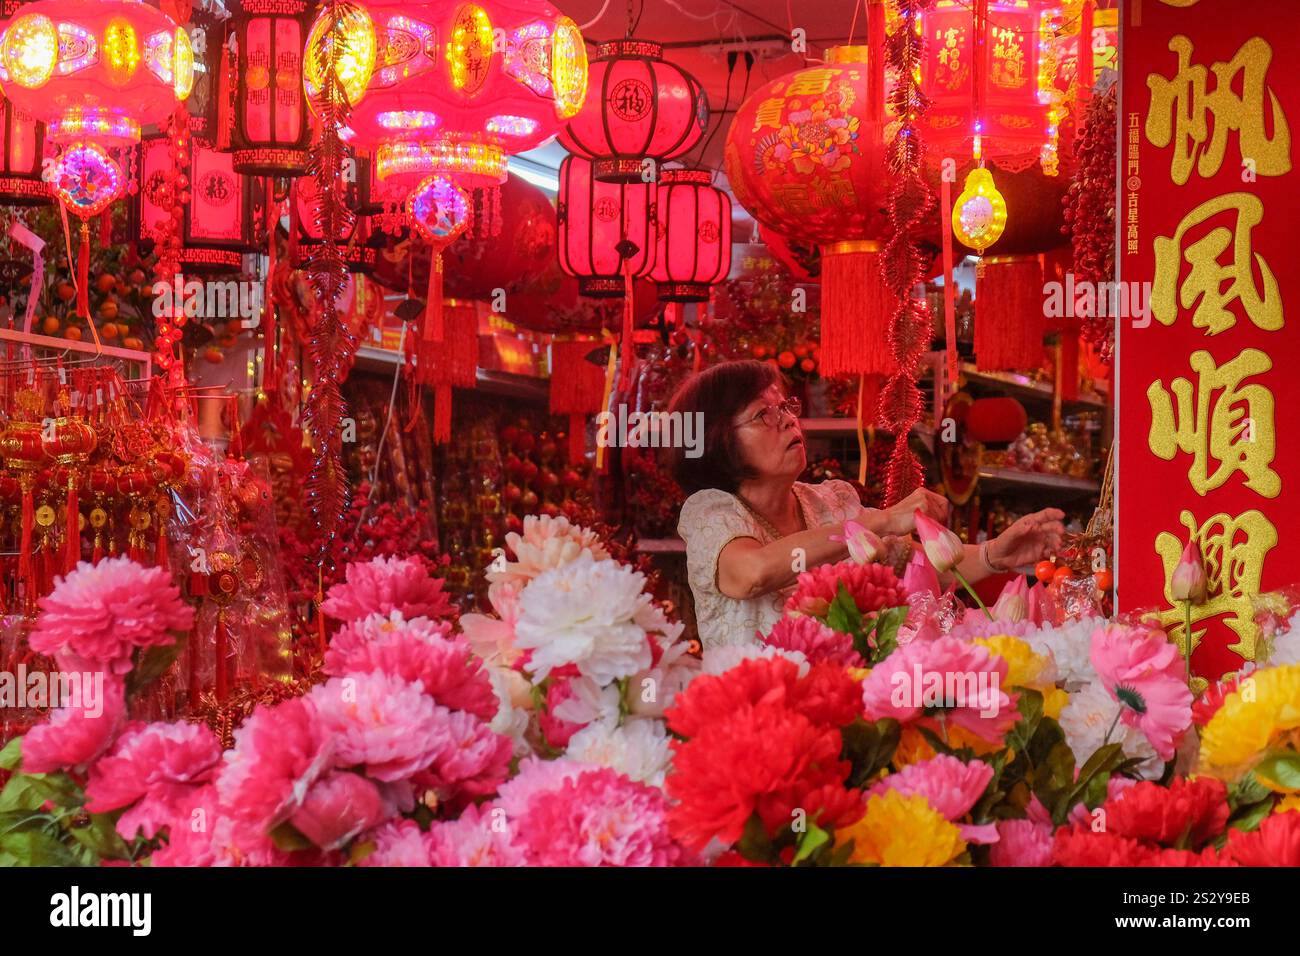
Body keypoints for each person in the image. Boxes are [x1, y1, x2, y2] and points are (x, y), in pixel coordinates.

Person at [664, 360, 1065, 649]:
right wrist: (881, 521)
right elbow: (751, 572)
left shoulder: (831, 501)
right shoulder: (711, 511)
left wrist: (997, 552)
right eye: (762, 415)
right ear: (718, 441)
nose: (788, 420)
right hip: (755, 719)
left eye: (785, 407)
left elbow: (923, 569)